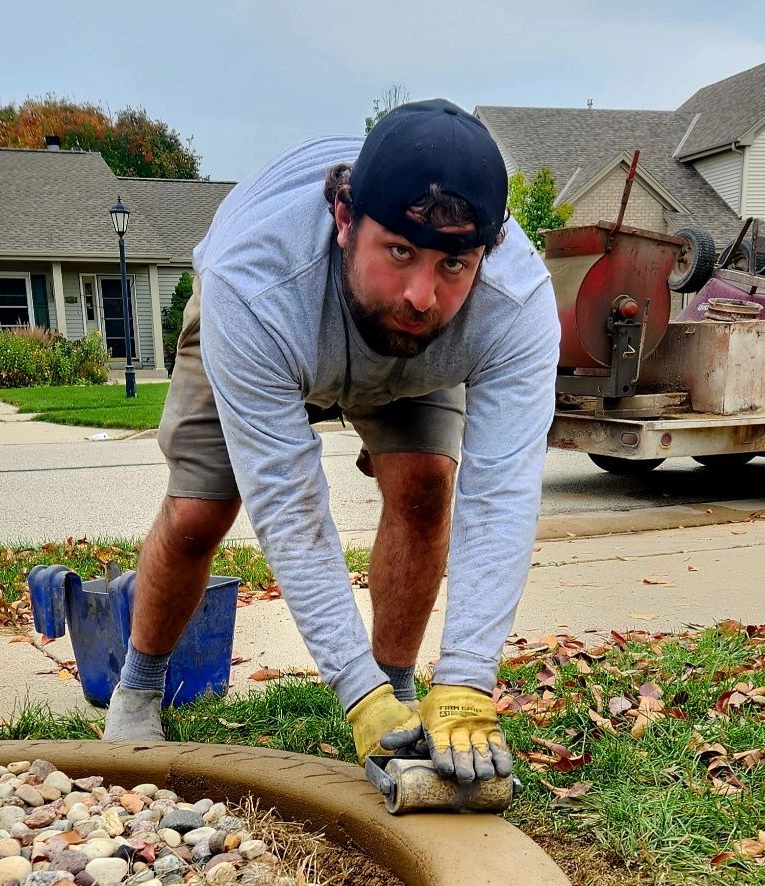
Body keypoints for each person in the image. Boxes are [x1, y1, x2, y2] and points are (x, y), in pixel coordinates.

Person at [103, 99, 560, 784]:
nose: (420, 293)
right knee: (199, 512)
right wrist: (353, 692)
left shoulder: (514, 305)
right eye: (399, 252)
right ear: (344, 219)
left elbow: (500, 497)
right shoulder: (251, 280)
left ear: (485, 254)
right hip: (273, 326)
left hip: (421, 361)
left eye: (452, 266)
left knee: (426, 487)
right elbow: (290, 506)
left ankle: (401, 691)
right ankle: (138, 683)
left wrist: (466, 676)